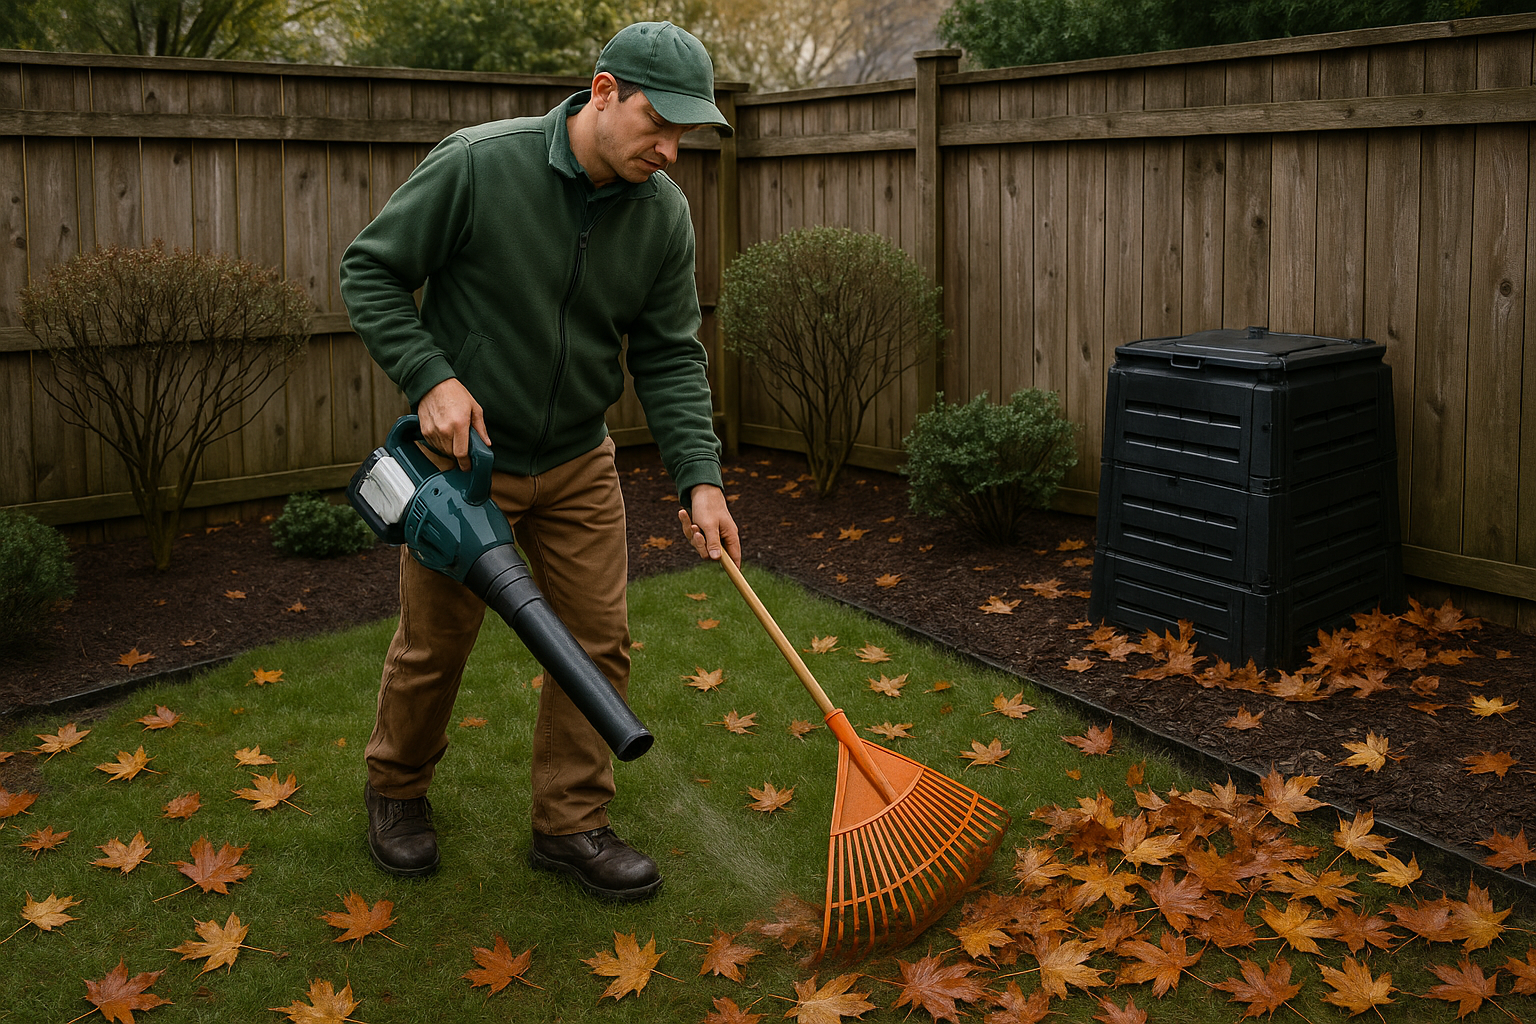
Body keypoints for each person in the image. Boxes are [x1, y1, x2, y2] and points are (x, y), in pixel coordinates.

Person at [339, 21, 741, 901]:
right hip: (464, 466)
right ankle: (397, 791)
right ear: (603, 92)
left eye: (687, 134)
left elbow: (671, 354)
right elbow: (369, 271)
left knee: (598, 643)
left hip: (578, 462)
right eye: (657, 125)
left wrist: (700, 479)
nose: (671, 151)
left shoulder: (661, 212)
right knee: (435, 646)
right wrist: (432, 378)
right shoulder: (481, 166)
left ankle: (571, 825)